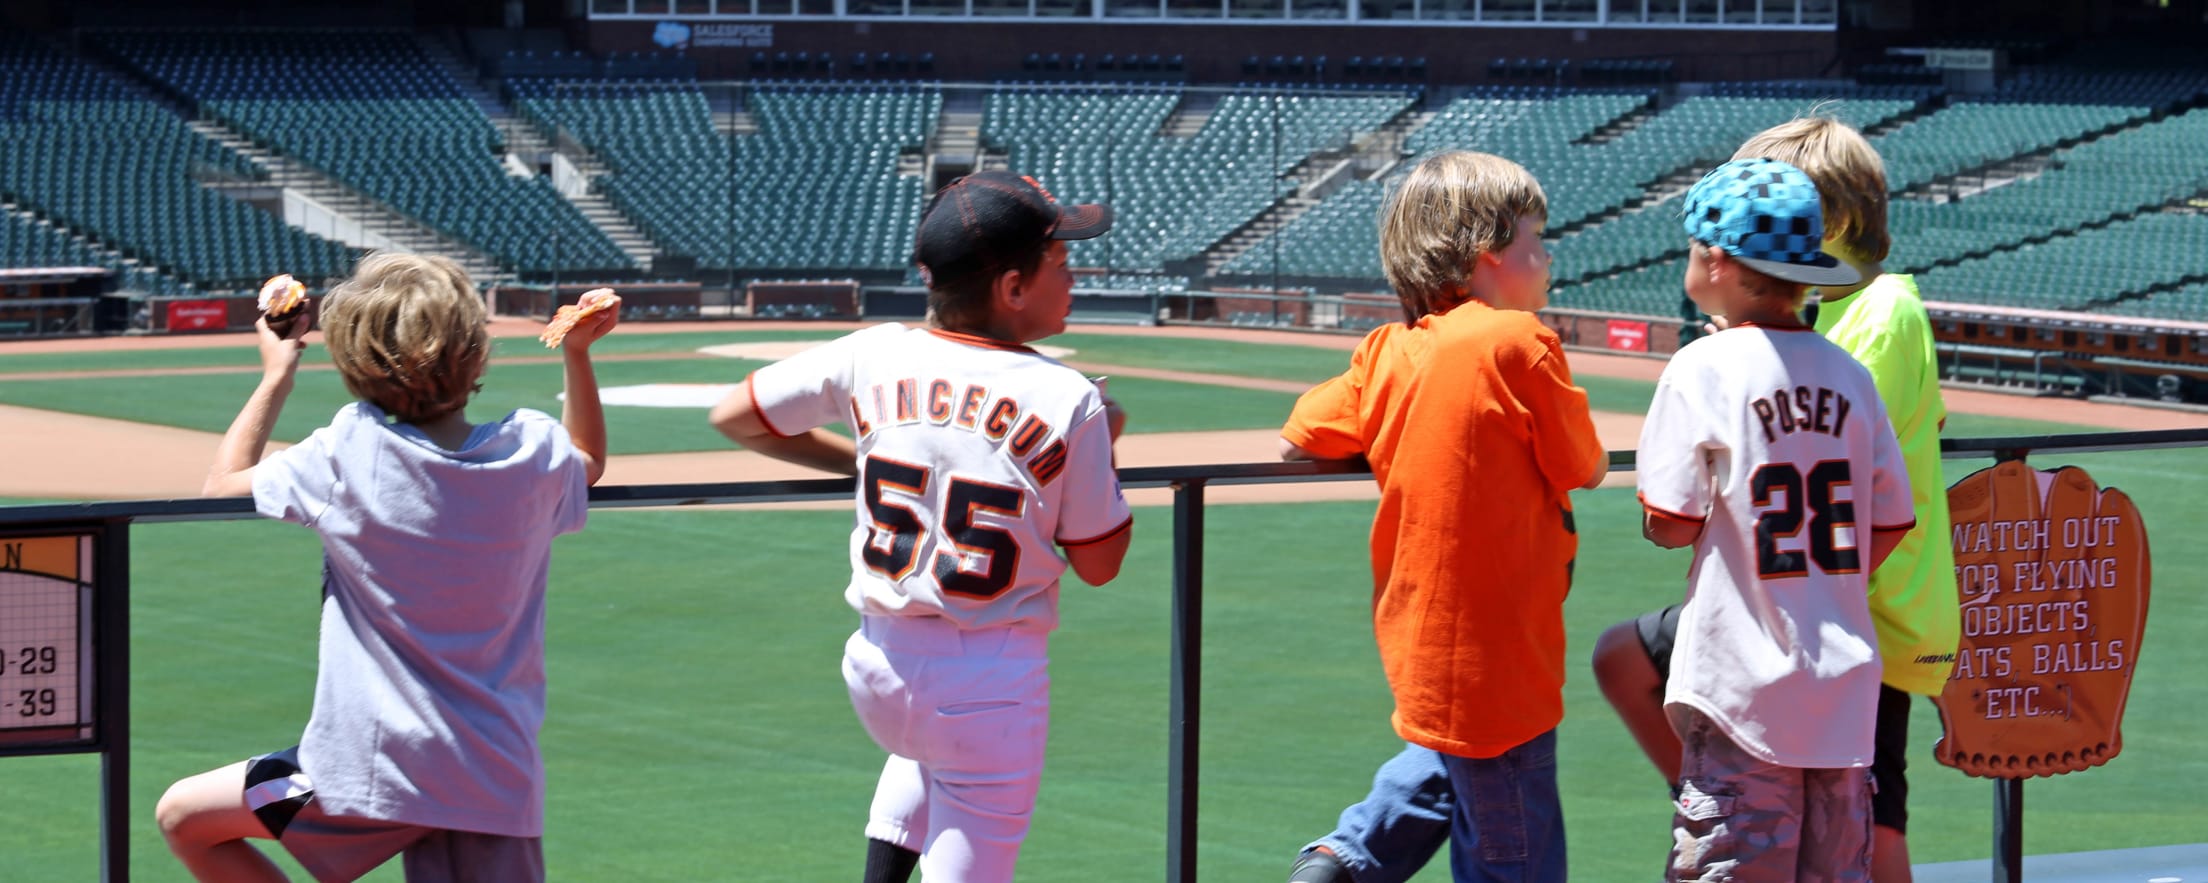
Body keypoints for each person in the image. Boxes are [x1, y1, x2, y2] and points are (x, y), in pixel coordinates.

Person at [708, 170, 1134, 883]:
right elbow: (1100, 561)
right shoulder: (1068, 398)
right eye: (1060, 261)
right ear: (1012, 288)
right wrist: (1104, 446)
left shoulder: (872, 351)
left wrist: (860, 461)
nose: (1074, 274)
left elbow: (736, 415)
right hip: (989, 681)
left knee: (927, 749)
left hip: (878, 665)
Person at [154, 254, 619, 882]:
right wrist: (579, 352)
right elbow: (586, 457)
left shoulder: (350, 449)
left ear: (354, 367)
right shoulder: (532, 450)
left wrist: (277, 373)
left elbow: (220, 488)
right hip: (493, 774)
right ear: (478, 355)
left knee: (185, 816)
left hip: (358, 779)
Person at [1592, 117, 1959, 882]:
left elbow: (1674, 517)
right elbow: (1888, 510)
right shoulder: (1841, 360)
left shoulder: (1711, 363)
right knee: (1845, 848)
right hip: (1842, 642)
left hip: (1780, 649)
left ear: (1720, 260)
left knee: (1787, 845)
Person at [1280, 150, 1607, 883]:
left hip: (1422, 643)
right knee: (1513, 847)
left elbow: (1301, 428)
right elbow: (1582, 464)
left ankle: (1345, 859)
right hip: (1505, 659)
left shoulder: (1386, 349)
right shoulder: (1521, 341)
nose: (1547, 258)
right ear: (1490, 259)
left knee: (1453, 759)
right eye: (1536, 242)